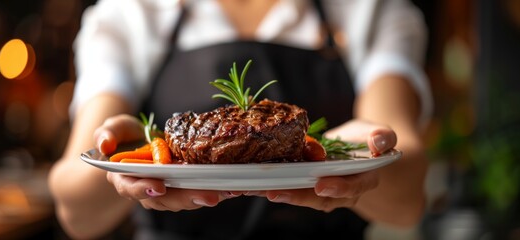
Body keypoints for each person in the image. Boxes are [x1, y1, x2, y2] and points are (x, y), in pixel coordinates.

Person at [48, 0, 433, 239]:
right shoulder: (130, 14)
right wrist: (129, 155)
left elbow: (408, 199)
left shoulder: (371, 9)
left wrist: (358, 150)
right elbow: (75, 213)